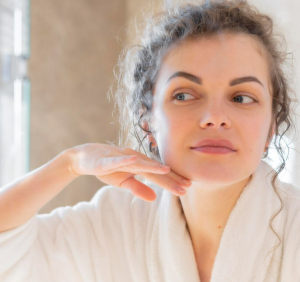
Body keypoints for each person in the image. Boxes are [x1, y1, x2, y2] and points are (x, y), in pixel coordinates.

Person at [0, 0, 299, 281]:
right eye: (183, 95)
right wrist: (68, 164)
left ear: (271, 126)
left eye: (242, 97)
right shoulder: (118, 222)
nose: (214, 117)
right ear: (148, 122)